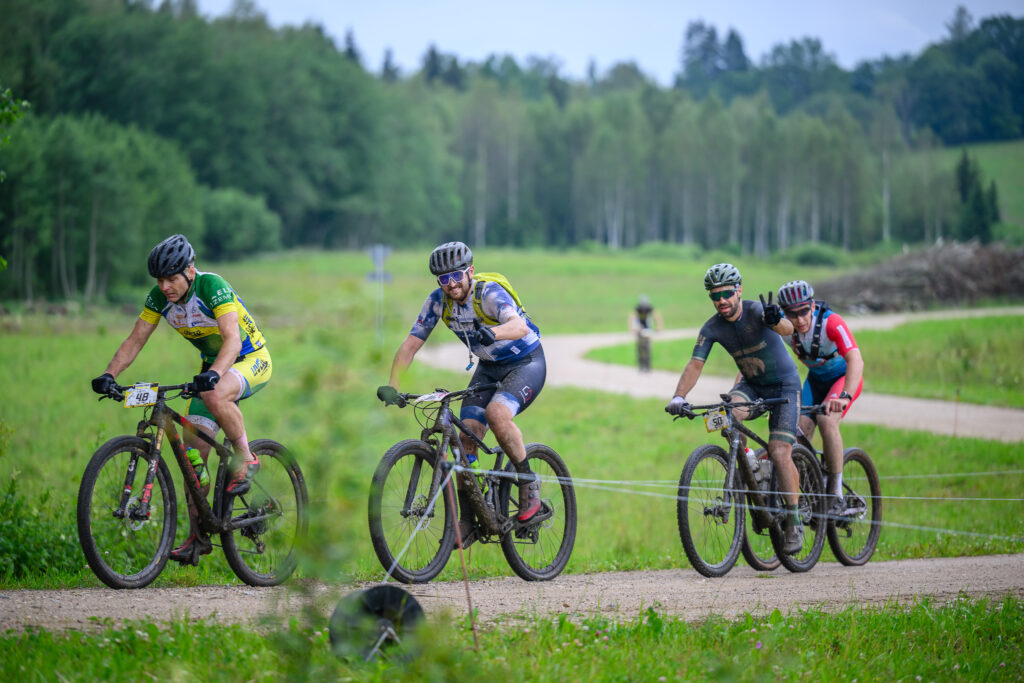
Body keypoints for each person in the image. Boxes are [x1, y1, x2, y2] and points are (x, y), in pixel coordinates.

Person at [90, 234, 272, 565]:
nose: (165, 287)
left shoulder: (212, 287)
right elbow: (135, 340)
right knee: (193, 460)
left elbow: (232, 341)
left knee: (215, 394)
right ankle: (198, 538)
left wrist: (214, 374)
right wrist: (109, 374)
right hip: (213, 368)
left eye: (171, 279)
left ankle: (247, 458)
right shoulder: (159, 298)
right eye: (159, 280)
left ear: (189, 271)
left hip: (249, 357)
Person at [377, 241, 546, 548]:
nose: (451, 284)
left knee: (497, 415)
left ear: (470, 272)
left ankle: (528, 484)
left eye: (456, 275)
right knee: (464, 438)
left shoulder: (489, 294)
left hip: (525, 363)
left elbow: (519, 327)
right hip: (489, 368)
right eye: (444, 278)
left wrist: (493, 332)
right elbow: (410, 345)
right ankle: (468, 519)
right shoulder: (438, 302)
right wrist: (393, 385)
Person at [665, 263, 806, 554]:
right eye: (715, 296)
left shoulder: (757, 311)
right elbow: (695, 364)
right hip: (752, 386)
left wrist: (776, 320)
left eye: (727, 293)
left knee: (780, 451)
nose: (722, 301)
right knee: (722, 415)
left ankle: (794, 520)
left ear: (739, 290)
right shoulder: (712, 328)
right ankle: (750, 462)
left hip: (784, 387)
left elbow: (788, 328)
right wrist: (679, 397)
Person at [777, 280, 864, 515]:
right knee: (797, 433)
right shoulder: (783, 328)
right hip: (815, 381)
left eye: (804, 311)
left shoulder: (831, 323)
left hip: (843, 379)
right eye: (792, 314)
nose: (799, 320)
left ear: (813, 306)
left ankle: (836, 495)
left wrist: (844, 396)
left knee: (827, 420)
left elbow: (856, 360)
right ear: (784, 314)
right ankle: (811, 486)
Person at [629, 294, 664, 372]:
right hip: (639, 328)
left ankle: (648, 365)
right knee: (639, 347)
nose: (644, 308)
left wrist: (659, 326)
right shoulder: (638, 308)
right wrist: (632, 328)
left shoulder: (649, 308)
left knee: (648, 347)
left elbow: (656, 316)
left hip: (648, 328)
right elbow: (632, 317)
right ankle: (641, 365)